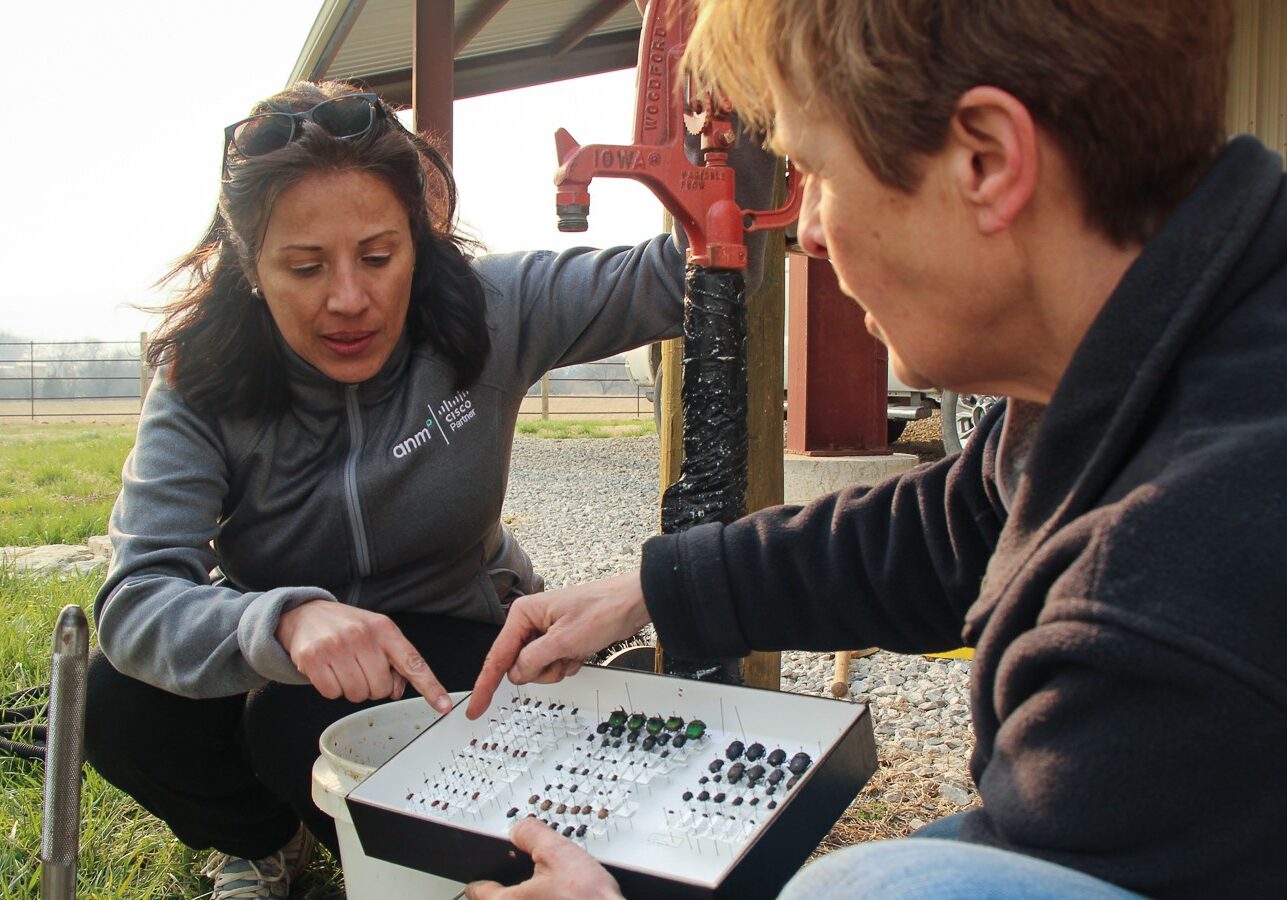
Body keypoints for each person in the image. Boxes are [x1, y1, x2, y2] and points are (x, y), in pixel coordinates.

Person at [465, 0, 1287, 896]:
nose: (807, 230)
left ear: (986, 160)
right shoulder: (1184, 334)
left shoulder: (1164, 591)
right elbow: (960, 521)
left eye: (816, 171)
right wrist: (654, 588)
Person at [84, 81, 771, 899]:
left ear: (419, 238)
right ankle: (262, 842)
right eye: (304, 266)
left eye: (379, 256)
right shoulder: (201, 377)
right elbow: (136, 600)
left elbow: (690, 272)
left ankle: (433, 862)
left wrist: (746, 106)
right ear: (251, 267)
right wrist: (285, 619)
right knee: (117, 702)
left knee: (293, 727)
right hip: (287, 646)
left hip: (457, 634)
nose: (348, 298)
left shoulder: (491, 309)